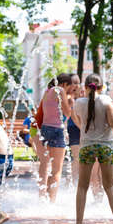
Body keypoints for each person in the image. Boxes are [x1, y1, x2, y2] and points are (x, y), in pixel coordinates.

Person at [70, 73, 113, 224]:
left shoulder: (78, 103)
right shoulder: (106, 101)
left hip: (87, 146)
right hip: (105, 147)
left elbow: (80, 123)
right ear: (102, 87)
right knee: (109, 186)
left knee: (82, 186)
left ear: (85, 87)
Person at [37, 73, 75, 202]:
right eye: (69, 86)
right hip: (57, 130)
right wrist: (71, 101)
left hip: (45, 129)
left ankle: (43, 196)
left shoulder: (47, 91)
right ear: (64, 84)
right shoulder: (60, 90)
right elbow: (67, 113)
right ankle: (52, 201)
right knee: (57, 170)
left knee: (45, 165)